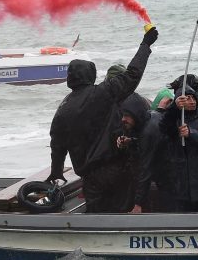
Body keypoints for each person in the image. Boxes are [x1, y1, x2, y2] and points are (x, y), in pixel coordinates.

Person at [48, 25, 158, 213]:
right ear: (90, 75)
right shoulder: (102, 93)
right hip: (116, 169)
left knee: (96, 217)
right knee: (122, 215)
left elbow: (57, 146)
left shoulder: (62, 110)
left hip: (90, 178)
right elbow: (132, 74)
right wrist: (145, 44)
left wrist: (56, 171)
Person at [132, 84, 198, 213]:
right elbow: (164, 125)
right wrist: (174, 108)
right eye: (186, 98)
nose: (191, 101)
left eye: (193, 98)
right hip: (179, 189)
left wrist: (192, 134)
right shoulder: (174, 124)